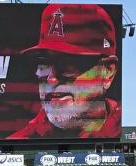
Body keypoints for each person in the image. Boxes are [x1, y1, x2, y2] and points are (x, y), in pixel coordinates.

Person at [8, 4, 121, 140]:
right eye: (43, 64)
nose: (51, 79)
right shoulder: (19, 142)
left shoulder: (125, 129)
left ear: (107, 72)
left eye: (68, 65)